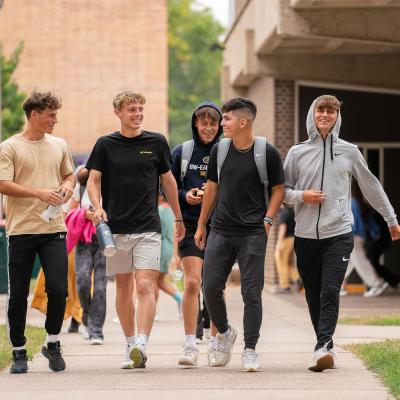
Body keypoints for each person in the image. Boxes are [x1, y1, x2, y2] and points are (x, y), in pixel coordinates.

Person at [284, 94, 400, 372]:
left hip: (339, 233)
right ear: (312, 114)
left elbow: (371, 186)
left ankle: (323, 346)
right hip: (306, 235)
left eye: (331, 112)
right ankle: (324, 343)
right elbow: (282, 192)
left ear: (337, 117)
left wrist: (391, 218)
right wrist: (303, 196)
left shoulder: (349, 151)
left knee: (330, 289)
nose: (325, 115)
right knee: (312, 292)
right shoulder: (297, 152)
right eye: (321, 110)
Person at [86, 91, 185, 369]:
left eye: (140, 108)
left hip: (147, 228)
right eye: (132, 109)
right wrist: (98, 206)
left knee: (145, 285)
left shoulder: (156, 142)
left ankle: (142, 342)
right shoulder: (105, 144)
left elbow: (168, 183)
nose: (138, 113)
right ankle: (130, 343)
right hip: (115, 229)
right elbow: (93, 181)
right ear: (118, 112)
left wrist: (178, 219)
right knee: (124, 288)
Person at [195, 97, 285, 372]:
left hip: (253, 233)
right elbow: (211, 189)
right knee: (209, 287)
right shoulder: (221, 151)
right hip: (220, 229)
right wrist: (201, 225)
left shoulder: (266, 152)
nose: (222, 123)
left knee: (251, 293)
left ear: (242, 121)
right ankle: (223, 332)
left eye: (226, 119)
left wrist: (268, 220)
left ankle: (250, 349)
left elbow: (278, 189)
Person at [0, 91, 75, 374]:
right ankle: (19, 351)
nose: (55, 120)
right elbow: (3, 183)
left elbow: (68, 175)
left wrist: (67, 187)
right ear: (34, 115)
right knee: (18, 294)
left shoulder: (60, 144)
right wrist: (38, 192)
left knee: (58, 290)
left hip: (53, 228)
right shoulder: (9, 147)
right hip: (21, 231)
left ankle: (53, 342)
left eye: (56, 114)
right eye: (51, 115)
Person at [171, 101, 223, 366]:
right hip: (191, 225)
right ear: (195, 123)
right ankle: (191, 344)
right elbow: (166, 187)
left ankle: (215, 345)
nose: (208, 128)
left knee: (213, 287)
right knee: (192, 283)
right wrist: (185, 196)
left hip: (220, 226)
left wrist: (214, 195)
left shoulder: (227, 151)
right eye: (204, 123)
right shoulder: (183, 152)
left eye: (213, 123)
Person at [69, 166, 107, 344]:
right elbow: (70, 212)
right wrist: (85, 214)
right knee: (82, 281)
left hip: (104, 240)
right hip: (84, 241)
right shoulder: (81, 187)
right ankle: (87, 315)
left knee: (100, 286)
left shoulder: (111, 185)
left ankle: (96, 329)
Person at [343, 182, 388, 298]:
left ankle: (377, 284)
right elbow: (366, 222)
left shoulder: (351, 202)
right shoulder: (358, 201)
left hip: (353, 235)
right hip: (357, 236)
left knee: (360, 261)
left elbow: (353, 223)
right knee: (349, 262)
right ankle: (338, 286)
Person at [156, 191, 183, 318]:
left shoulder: (161, 210)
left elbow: (165, 231)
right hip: (167, 246)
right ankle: (179, 298)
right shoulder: (170, 210)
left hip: (160, 247)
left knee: (153, 280)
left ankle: (152, 308)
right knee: (159, 281)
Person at [274, 205, 300, 293]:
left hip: (286, 240)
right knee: (288, 262)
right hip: (293, 239)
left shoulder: (283, 212)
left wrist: (279, 242)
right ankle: (296, 278)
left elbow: (282, 227)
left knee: (281, 261)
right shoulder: (291, 211)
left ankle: (285, 286)